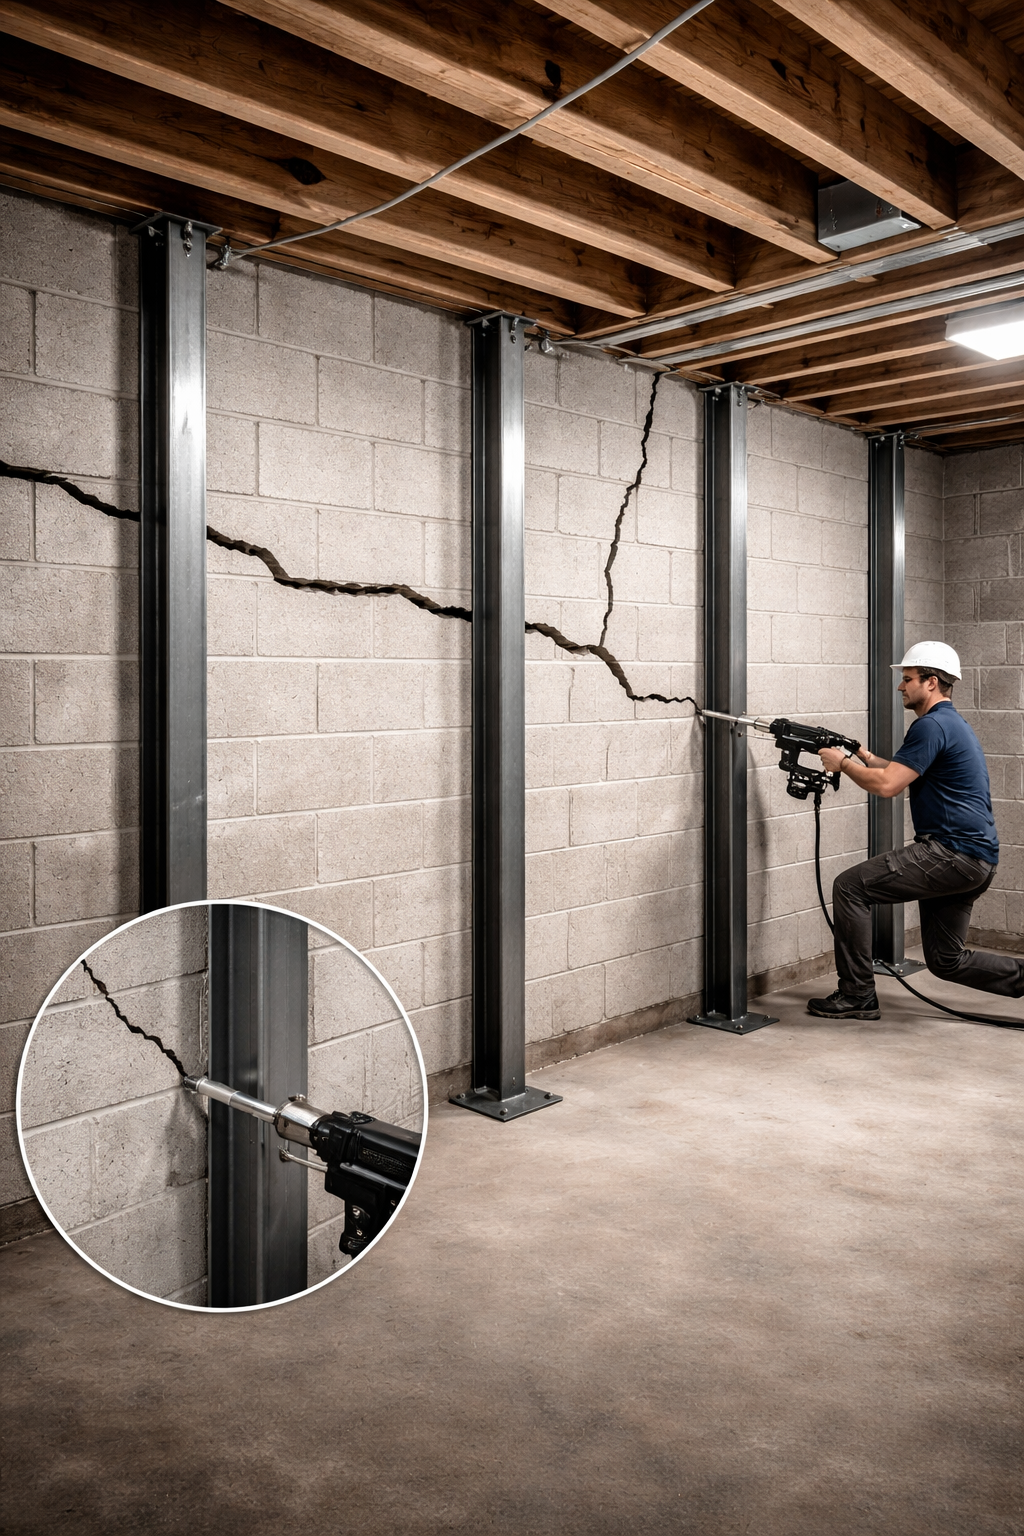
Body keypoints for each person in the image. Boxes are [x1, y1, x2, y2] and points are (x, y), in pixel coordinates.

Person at [806, 641, 1024, 1019]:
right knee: (945, 960)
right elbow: (899, 771)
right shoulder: (950, 723)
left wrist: (842, 764)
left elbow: (888, 786)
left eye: (907, 679)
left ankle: (857, 995)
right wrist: (863, 756)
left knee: (850, 886)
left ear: (931, 682)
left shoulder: (930, 725)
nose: (900, 686)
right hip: (977, 860)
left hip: (951, 854)